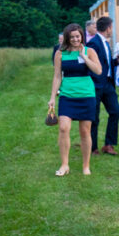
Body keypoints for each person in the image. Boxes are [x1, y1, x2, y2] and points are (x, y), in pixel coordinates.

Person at [48, 23, 102, 176]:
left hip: (86, 96)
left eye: (77, 36)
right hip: (67, 95)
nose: (75, 39)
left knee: (85, 132)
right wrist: (52, 97)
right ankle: (65, 165)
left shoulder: (89, 51)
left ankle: (86, 166)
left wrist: (84, 57)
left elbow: (98, 70)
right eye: (72, 37)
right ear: (67, 38)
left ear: (81, 36)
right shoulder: (60, 53)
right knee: (63, 128)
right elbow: (57, 76)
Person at [87, 16, 119, 155]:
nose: (112, 30)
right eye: (112, 27)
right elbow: (90, 64)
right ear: (108, 28)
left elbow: (105, 63)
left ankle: (108, 144)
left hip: (108, 84)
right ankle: (92, 147)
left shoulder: (106, 43)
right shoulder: (93, 43)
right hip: (96, 84)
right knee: (94, 116)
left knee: (115, 111)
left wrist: (116, 61)